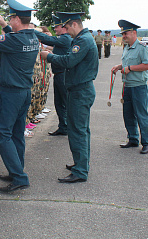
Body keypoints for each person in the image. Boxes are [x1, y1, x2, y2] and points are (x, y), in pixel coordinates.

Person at [0, 0, 39, 193]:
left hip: (11, 93)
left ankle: (19, 177)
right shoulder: (32, 38)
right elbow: (15, 39)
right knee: (16, 134)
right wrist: (5, 26)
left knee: (2, 134)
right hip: (23, 92)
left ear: (17, 19)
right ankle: (16, 170)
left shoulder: (15, 39)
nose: (9, 21)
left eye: (11, 18)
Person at [41, 12, 98, 183]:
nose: (65, 30)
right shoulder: (83, 38)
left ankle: (80, 171)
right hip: (79, 89)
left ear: (74, 24)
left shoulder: (83, 40)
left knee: (78, 130)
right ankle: (81, 164)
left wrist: (49, 56)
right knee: (80, 129)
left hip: (80, 91)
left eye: (66, 27)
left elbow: (68, 61)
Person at [111, 20, 148, 154]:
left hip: (138, 87)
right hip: (127, 86)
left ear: (134, 33)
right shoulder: (127, 47)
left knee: (141, 115)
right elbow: (127, 63)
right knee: (128, 114)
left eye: (126, 33)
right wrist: (120, 66)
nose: (123, 36)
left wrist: (130, 68)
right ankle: (133, 138)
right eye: (122, 34)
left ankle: (146, 143)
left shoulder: (142, 47)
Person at [34, 13, 72, 136]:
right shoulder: (63, 39)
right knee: (59, 102)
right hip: (59, 74)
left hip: (63, 75)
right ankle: (63, 126)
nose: (55, 29)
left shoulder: (65, 38)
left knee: (65, 102)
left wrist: (31, 31)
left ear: (63, 27)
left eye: (57, 27)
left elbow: (48, 39)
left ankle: (70, 127)